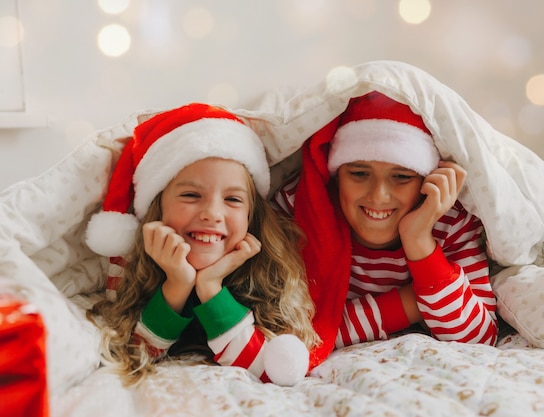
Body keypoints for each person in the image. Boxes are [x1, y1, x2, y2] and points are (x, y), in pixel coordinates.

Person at [85, 103, 318, 386]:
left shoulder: (268, 269)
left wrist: (210, 287)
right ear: (157, 207)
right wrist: (177, 283)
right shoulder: (128, 261)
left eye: (232, 199)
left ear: (251, 216)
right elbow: (130, 355)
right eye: (191, 195)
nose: (212, 213)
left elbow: (271, 371)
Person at [271, 91, 498, 368]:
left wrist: (418, 241)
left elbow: (478, 338)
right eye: (359, 173)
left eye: (401, 176)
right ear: (336, 175)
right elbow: (283, 334)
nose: (378, 196)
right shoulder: (299, 208)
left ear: (426, 179)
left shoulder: (450, 221)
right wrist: (408, 305)